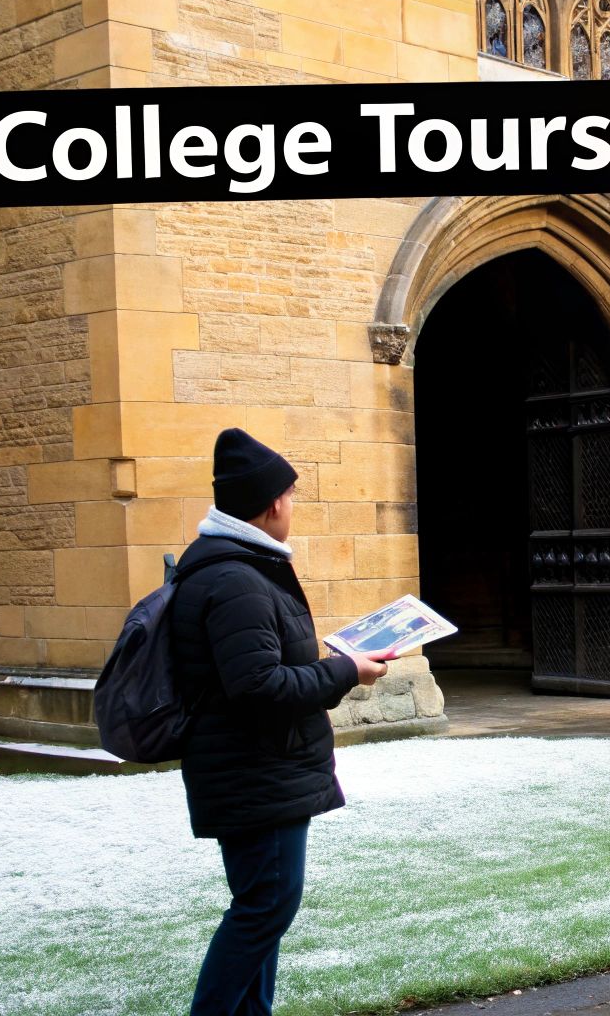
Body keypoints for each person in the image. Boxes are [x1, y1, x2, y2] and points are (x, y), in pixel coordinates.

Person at [171, 428, 394, 1016]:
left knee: (263, 908)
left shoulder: (237, 567)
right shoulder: (237, 578)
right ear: (273, 503)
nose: (294, 507)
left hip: (260, 769)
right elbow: (258, 687)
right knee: (263, 908)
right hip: (256, 771)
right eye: (293, 496)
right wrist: (345, 670)